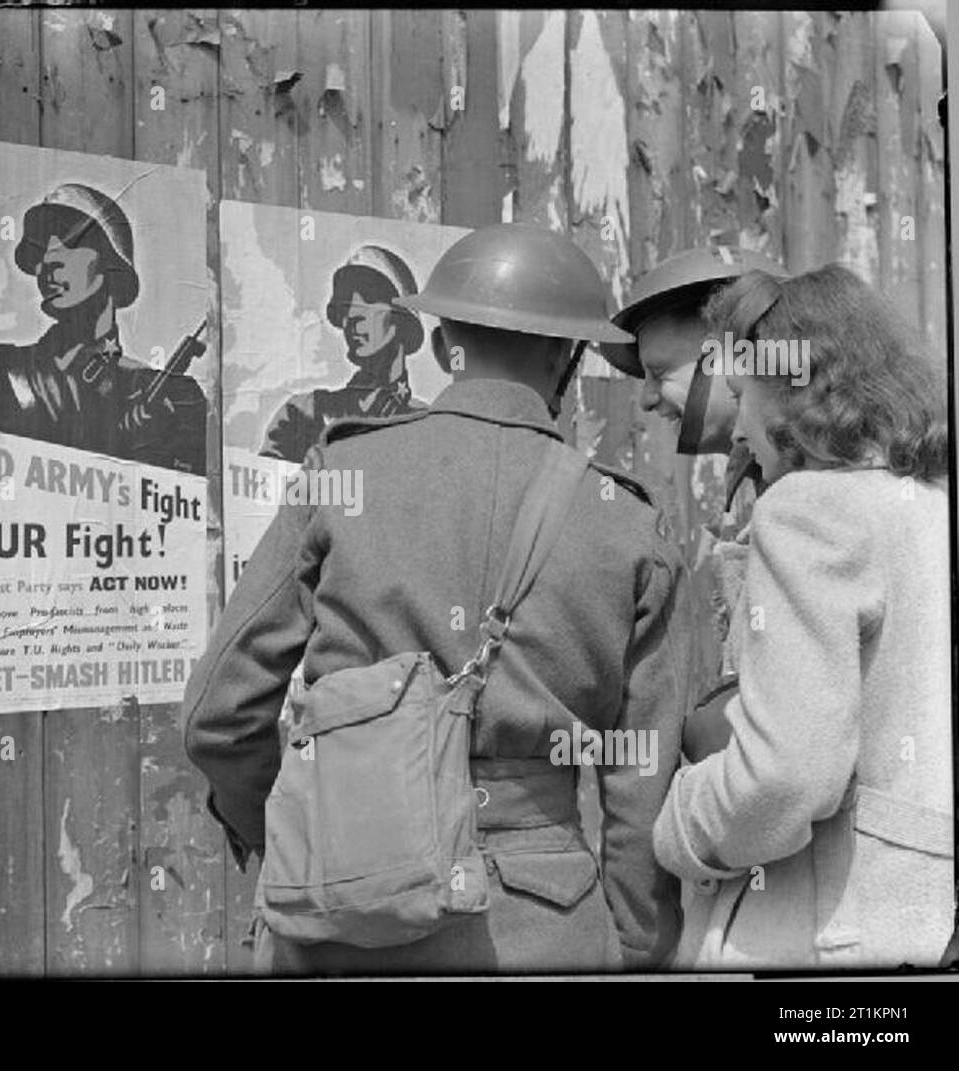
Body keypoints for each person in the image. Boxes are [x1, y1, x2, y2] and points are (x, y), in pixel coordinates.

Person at [182, 223, 692, 973]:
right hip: (542, 927)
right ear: (569, 356)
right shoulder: (628, 523)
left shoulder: (342, 472)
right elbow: (642, 778)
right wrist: (638, 947)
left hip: (341, 917)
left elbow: (218, 715)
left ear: (444, 335)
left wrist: (306, 832)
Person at [653, 265, 953, 969]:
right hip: (924, 924)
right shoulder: (930, 504)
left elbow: (784, 776)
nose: (738, 425)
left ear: (792, 391)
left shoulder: (807, 510)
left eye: (739, 391)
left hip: (819, 940)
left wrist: (678, 821)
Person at [599, 247, 786, 762]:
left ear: (734, 356)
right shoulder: (748, 478)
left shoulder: (808, 488)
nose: (648, 399)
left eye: (661, 373)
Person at [0, 183, 208, 474]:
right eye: (41, 250)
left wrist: (155, 445)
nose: (47, 261)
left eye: (69, 240)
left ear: (111, 264)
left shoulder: (171, 396)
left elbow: (196, 503)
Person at [259, 245, 427, 464]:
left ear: (402, 318)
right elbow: (269, 490)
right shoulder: (304, 413)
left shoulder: (427, 422)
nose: (352, 315)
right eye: (345, 305)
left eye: (369, 296)